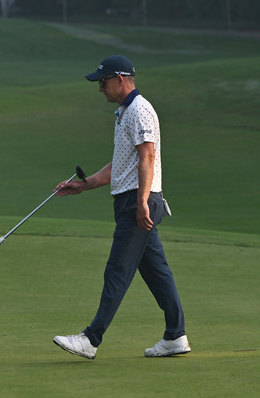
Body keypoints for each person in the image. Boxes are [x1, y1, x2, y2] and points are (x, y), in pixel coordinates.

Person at [52, 55, 190, 359]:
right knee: (156, 271)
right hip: (135, 199)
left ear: (120, 79)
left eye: (103, 82)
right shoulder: (125, 113)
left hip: (137, 201)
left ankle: (91, 338)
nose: (100, 88)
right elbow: (121, 166)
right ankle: (175, 335)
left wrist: (141, 202)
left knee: (117, 270)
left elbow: (147, 157)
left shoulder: (139, 110)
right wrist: (82, 185)